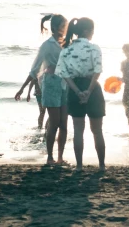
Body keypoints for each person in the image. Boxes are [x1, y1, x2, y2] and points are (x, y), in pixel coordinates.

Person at [16, 14, 69, 165]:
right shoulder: (47, 45)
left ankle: (60, 157)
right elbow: (35, 69)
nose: (66, 29)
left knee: (64, 124)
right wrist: (22, 89)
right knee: (54, 122)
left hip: (66, 84)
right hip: (51, 84)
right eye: (64, 26)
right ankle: (50, 157)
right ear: (55, 27)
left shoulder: (68, 43)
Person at [56, 18, 106, 171]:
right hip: (92, 88)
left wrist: (77, 91)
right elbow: (97, 71)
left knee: (78, 130)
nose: (93, 33)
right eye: (92, 30)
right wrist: (88, 91)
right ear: (86, 31)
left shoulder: (66, 49)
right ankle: (102, 166)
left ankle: (79, 166)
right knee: (97, 130)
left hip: (74, 88)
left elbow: (63, 73)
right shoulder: (94, 48)